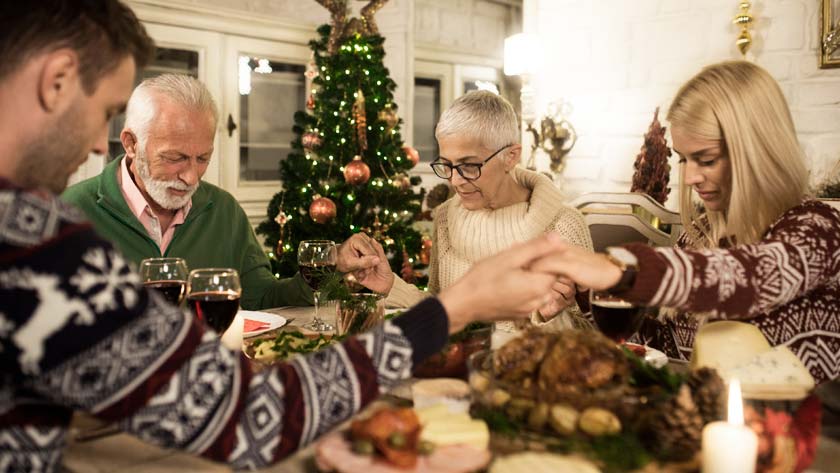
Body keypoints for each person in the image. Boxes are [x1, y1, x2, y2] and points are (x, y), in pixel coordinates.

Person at [0, 2, 565, 470]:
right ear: (56, 81)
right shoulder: (35, 240)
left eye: (202, 157)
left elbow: (257, 305)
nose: (99, 146)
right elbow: (246, 412)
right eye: (102, 112)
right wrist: (454, 307)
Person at [531, 61, 840, 384]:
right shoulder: (699, 237)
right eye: (683, 159)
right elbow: (665, 350)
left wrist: (621, 270)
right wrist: (588, 295)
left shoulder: (818, 227)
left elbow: (753, 276)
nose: (690, 177)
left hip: (807, 431)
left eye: (706, 159)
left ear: (756, 150)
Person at [340, 91, 593, 330]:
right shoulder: (445, 218)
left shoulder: (564, 225)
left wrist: (549, 317)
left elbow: (596, 340)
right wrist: (391, 286)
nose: (455, 180)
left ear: (511, 156)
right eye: (447, 165)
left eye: (469, 165)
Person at [62, 74, 315, 310]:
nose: (191, 177)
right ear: (131, 144)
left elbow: (262, 299)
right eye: (175, 157)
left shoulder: (224, 210)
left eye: (203, 158)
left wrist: (325, 274)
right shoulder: (70, 212)